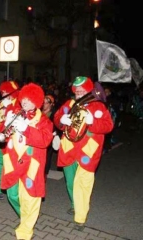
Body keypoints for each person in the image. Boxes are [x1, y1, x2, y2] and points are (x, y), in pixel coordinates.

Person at [54, 76, 114, 231]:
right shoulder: (69, 104)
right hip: (69, 149)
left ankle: (80, 217)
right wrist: (62, 120)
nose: (79, 92)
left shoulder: (98, 107)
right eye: (77, 89)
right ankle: (76, 204)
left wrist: (92, 121)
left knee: (83, 184)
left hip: (88, 151)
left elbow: (108, 126)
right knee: (70, 182)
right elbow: (56, 119)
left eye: (82, 89)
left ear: (89, 90)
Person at [1, 83, 53, 240]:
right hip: (13, 162)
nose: (24, 101)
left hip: (31, 165)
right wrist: (6, 124)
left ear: (36, 102)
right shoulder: (15, 113)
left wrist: (26, 129)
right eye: (23, 98)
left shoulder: (44, 121)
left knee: (30, 199)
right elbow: (3, 137)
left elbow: (44, 140)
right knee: (12, 195)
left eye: (29, 99)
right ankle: (26, 218)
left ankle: (24, 233)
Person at [41, 94, 58, 180]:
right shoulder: (39, 112)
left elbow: (57, 126)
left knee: (47, 157)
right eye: (43, 103)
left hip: (49, 137)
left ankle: (44, 174)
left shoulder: (54, 114)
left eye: (46, 103)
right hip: (39, 137)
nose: (44, 104)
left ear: (51, 104)